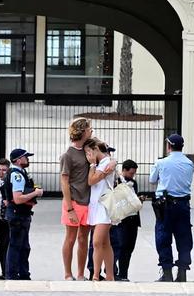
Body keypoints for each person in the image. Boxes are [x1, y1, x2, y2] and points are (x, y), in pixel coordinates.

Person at [149, 134, 194, 282]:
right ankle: (182, 272)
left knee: (163, 237)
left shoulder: (161, 163)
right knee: (184, 238)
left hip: (165, 204)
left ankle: (167, 271)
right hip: (183, 205)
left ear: (169, 146)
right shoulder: (189, 163)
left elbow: (152, 180)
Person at [59, 117, 93, 281]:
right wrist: (69, 207)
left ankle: (80, 273)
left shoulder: (88, 149)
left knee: (83, 239)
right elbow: (64, 181)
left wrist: (92, 137)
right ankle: (67, 273)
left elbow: (104, 145)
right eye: (89, 128)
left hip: (87, 201)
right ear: (82, 131)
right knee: (71, 238)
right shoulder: (68, 155)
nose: (91, 130)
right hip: (73, 202)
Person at [3, 148, 44, 280]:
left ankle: (23, 274)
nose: (28, 159)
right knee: (16, 246)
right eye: (26, 157)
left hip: (21, 215)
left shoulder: (20, 173)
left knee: (24, 247)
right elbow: (18, 198)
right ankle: (13, 275)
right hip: (18, 215)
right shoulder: (17, 175)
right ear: (19, 159)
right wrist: (35, 193)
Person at [84, 138, 116, 281]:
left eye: (89, 152)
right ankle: (110, 275)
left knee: (96, 242)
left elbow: (92, 181)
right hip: (96, 206)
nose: (88, 156)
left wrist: (92, 166)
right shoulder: (101, 163)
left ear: (96, 149)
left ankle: (96, 275)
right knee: (104, 242)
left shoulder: (105, 162)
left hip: (104, 206)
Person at [113, 159, 143, 281]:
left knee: (129, 247)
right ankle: (114, 271)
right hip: (122, 219)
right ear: (124, 170)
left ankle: (124, 274)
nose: (132, 176)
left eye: (134, 173)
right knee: (120, 246)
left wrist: (139, 199)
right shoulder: (117, 182)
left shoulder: (133, 183)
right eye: (131, 173)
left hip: (133, 219)